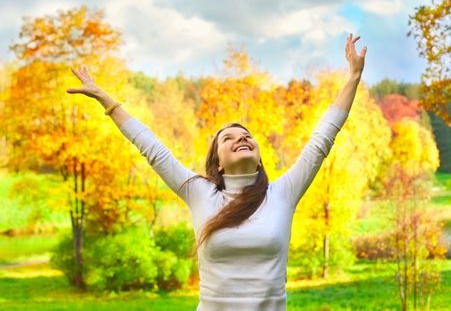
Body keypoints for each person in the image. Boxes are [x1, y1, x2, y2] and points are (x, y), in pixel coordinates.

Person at [67, 33, 367, 310]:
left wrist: (352, 78)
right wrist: (107, 101)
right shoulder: (201, 193)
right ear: (218, 162)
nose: (241, 138)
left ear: (259, 158)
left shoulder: (282, 194)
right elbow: (151, 148)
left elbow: (322, 140)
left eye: (247, 135)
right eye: (228, 137)